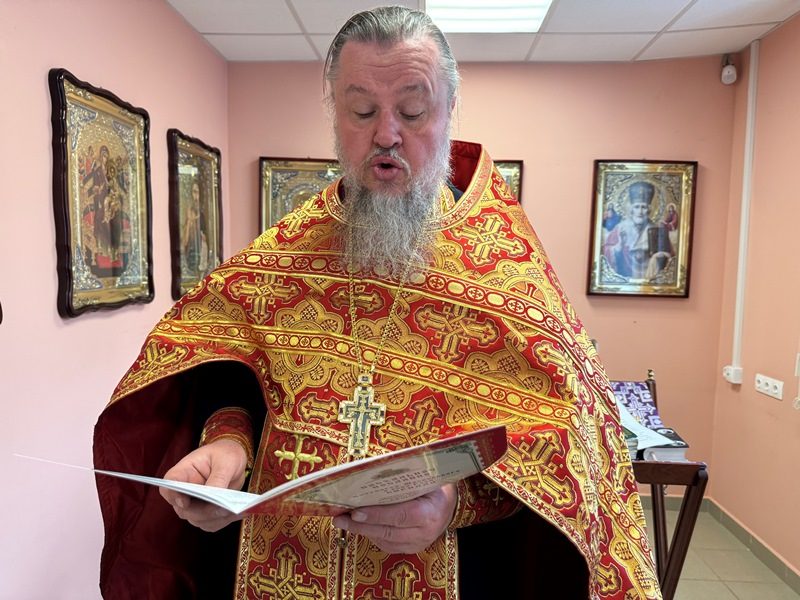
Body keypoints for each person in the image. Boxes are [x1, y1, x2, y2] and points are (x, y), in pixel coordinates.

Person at [94, 6, 661, 599]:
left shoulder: (506, 268)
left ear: (448, 112)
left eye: (412, 112)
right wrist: (227, 443)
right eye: (362, 111)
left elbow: (566, 448)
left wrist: (458, 502)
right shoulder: (283, 255)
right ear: (334, 114)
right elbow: (228, 374)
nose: (387, 134)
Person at [602, 181, 674, 281]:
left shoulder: (657, 229)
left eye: (643, 207)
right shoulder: (620, 228)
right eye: (636, 207)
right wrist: (617, 248)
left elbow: (671, 256)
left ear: (649, 210)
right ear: (631, 209)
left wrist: (661, 255)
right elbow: (605, 251)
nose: (640, 212)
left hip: (651, 276)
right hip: (626, 276)